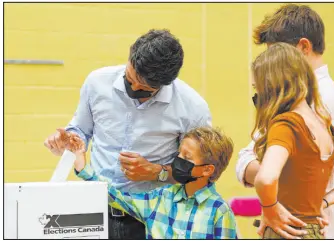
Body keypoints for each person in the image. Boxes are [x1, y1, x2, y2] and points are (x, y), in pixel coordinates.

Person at [43, 29, 212, 239]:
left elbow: (199, 172)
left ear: (166, 83)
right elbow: (80, 130)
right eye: (128, 79)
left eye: (143, 89)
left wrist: (156, 172)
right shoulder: (97, 83)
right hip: (95, 209)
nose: (133, 88)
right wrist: (67, 139)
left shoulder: (193, 108)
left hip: (153, 217)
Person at [236, 4, 334, 239]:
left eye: (277, 59)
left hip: (290, 226)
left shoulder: (292, 120)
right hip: (309, 225)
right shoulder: (318, 120)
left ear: (302, 48)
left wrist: (269, 205)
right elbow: (248, 161)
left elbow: (266, 175)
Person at [251, 43, 334, 239]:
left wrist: (270, 208)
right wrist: (323, 202)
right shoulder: (326, 129)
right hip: (314, 232)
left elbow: (266, 178)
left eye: (258, 88)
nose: (257, 97)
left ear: (273, 86)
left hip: (285, 230)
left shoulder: (286, 124)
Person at [65, 126, 237, 239]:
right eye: (179, 153)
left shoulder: (219, 211)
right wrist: (82, 164)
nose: (178, 159)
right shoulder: (161, 197)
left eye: (187, 157)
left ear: (207, 170)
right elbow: (116, 197)